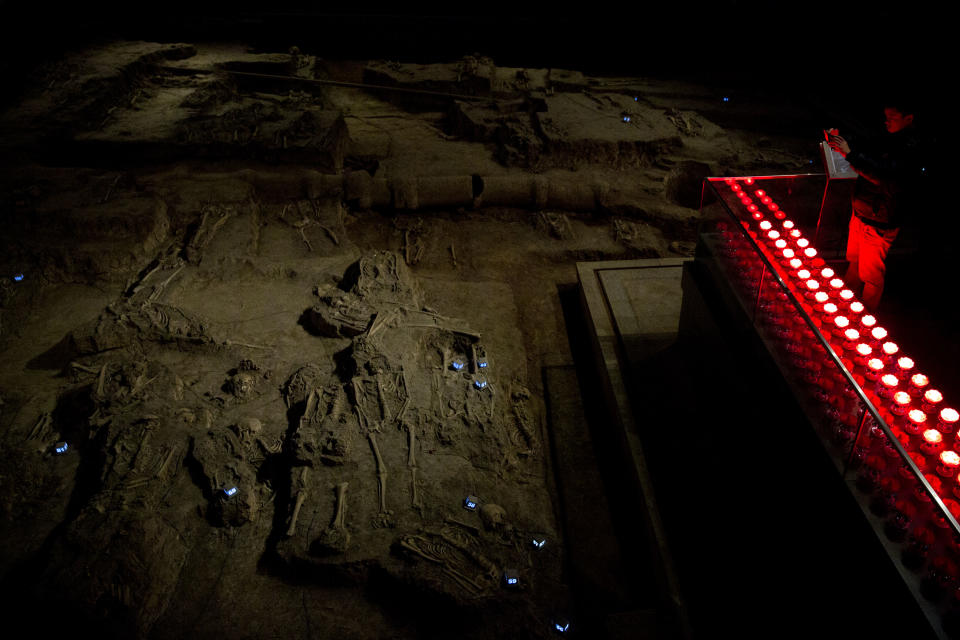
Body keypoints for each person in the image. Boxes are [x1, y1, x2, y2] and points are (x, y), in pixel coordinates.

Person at [827, 102, 922, 311]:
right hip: (862, 211)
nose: (887, 121)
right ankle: (845, 305)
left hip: (880, 220)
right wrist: (844, 143)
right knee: (853, 261)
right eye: (885, 116)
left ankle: (865, 320)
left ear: (909, 118)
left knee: (870, 275)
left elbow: (883, 175)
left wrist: (850, 154)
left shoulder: (910, 148)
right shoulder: (888, 137)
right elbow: (868, 150)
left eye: (893, 117)